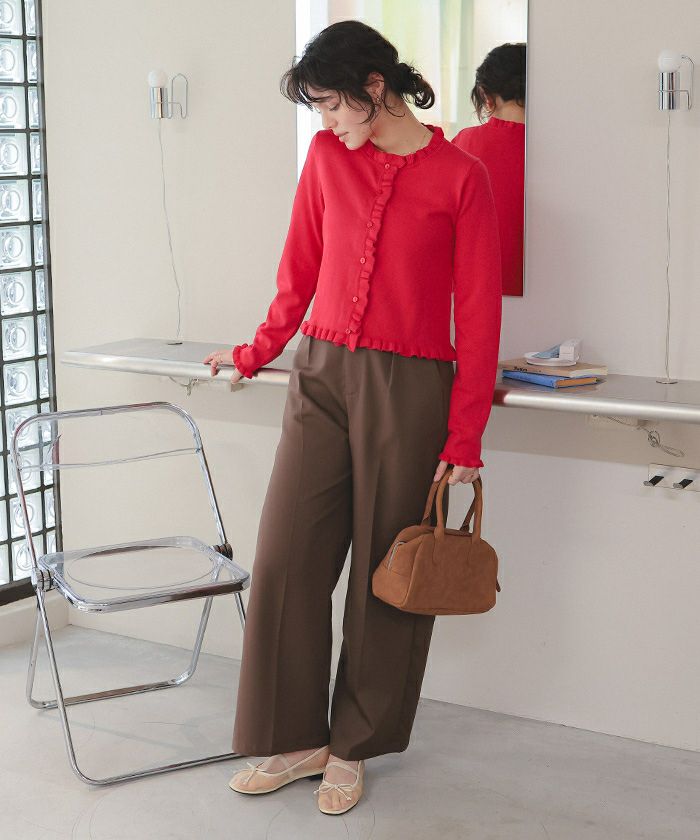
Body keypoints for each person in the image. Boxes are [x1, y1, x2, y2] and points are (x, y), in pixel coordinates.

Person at [202, 19, 502, 817]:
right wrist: (257, 351)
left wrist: (465, 438)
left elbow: (479, 315)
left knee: (386, 573)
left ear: (375, 86)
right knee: (286, 559)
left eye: (333, 104)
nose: (327, 122)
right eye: (318, 110)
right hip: (321, 372)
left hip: (412, 386)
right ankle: (297, 738)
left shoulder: (462, 176)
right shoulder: (327, 159)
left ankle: (353, 747)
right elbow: (298, 268)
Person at [452, 43, 526, 296]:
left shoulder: (464, 143)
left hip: (475, 290)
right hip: (551, 291)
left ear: (486, 95)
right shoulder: (567, 147)